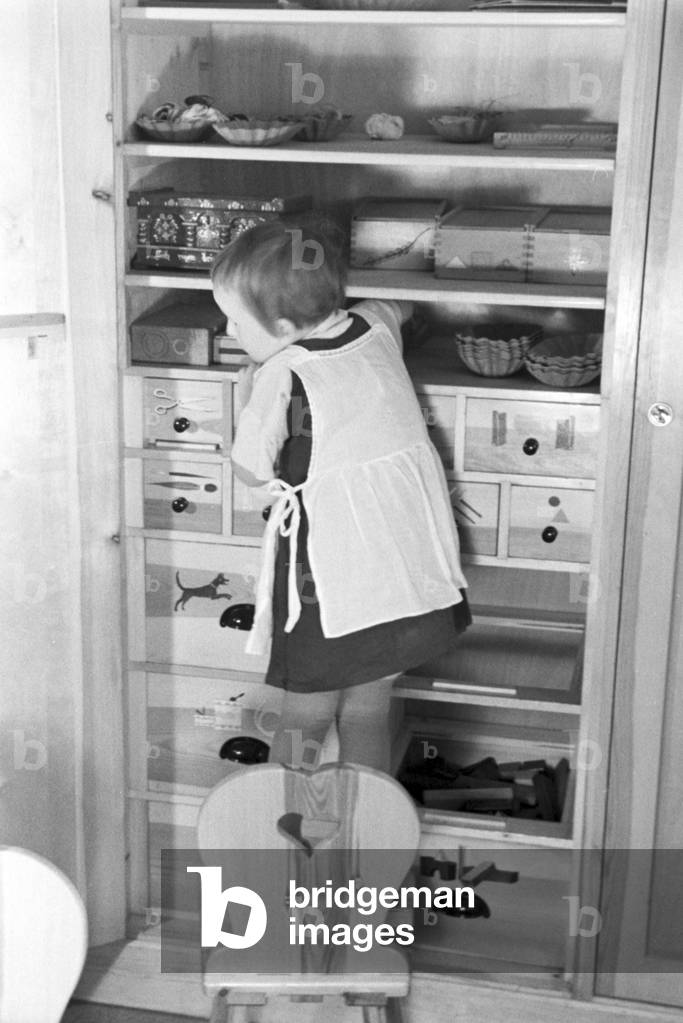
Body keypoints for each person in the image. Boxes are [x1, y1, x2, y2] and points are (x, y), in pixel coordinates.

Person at [211, 220, 470, 774]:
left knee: (304, 719)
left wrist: (245, 393)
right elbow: (397, 307)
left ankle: (295, 826)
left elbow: (250, 473)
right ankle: (366, 835)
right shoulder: (372, 325)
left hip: (328, 580)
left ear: (281, 327)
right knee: (366, 715)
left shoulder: (280, 374)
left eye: (235, 320)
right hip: (399, 574)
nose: (229, 330)